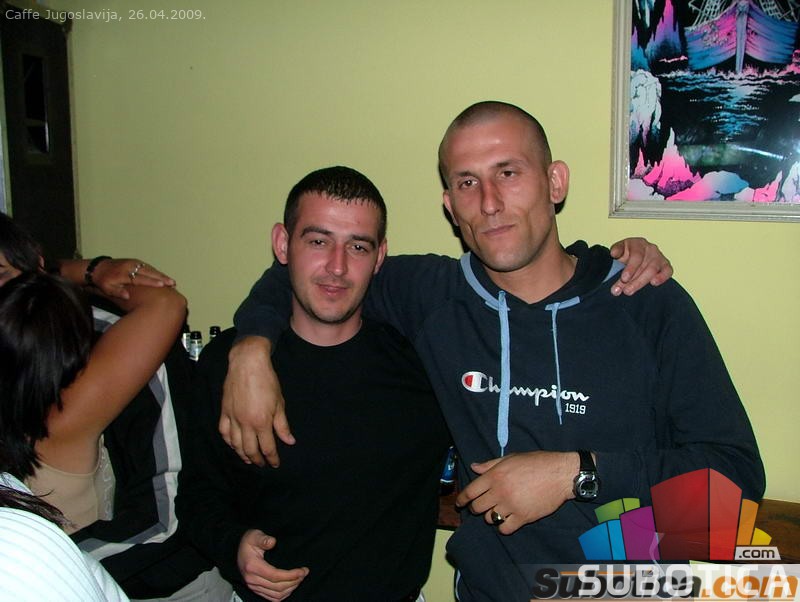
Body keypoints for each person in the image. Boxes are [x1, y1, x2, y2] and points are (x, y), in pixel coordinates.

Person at [222, 102, 764, 601]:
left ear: (555, 182)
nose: (489, 202)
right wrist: (250, 350)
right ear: (450, 206)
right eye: (467, 182)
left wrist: (575, 474)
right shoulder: (431, 295)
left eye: (508, 172)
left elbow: (736, 486)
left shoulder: (643, 301)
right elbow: (315, 269)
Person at [176, 166, 450, 602]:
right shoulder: (229, 365)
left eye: (357, 246)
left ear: (380, 257)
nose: (337, 267)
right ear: (283, 244)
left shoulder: (422, 363)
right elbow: (198, 496)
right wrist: (234, 546)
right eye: (318, 241)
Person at [0, 213, 227, 601]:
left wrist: (81, 272)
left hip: (155, 575)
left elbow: (165, 305)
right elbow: (164, 305)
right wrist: (86, 271)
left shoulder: (69, 389)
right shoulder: (60, 410)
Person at [0, 272, 128, 601]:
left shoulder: (17, 418)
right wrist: (95, 271)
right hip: (71, 579)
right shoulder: (70, 418)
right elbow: (164, 306)